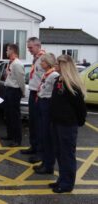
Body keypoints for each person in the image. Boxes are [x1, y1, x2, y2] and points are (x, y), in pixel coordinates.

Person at [49, 55, 87, 193]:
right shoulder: (58, 80)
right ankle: (61, 179)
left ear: (64, 66)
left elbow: (80, 108)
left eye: (58, 65)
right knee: (59, 153)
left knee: (67, 155)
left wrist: (80, 121)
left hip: (67, 126)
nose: (55, 67)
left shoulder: (72, 85)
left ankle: (67, 184)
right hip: (57, 123)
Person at [33, 53, 59, 174]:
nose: (41, 63)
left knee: (48, 136)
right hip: (42, 102)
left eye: (43, 61)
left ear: (48, 63)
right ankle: (45, 162)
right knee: (43, 134)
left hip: (47, 104)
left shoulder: (54, 75)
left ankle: (48, 165)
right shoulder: (47, 73)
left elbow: (53, 93)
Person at [21, 37, 46, 164]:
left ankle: (40, 152)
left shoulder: (44, 59)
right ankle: (34, 146)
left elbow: (47, 78)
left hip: (39, 94)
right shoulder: (36, 58)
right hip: (33, 92)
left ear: (38, 45)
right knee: (33, 122)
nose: (29, 50)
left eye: (30, 47)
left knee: (40, 124)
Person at [3, 44, 25, 147]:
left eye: (7, 50)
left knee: (15, 116)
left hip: (14, 91)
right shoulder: (11, 63)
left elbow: (21, 80)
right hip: (8, 90)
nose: (6, 52)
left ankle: (17, 139)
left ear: (12, 51)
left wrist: (22, 92)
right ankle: (10, 135)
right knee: (8, 114)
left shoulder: (17, 64)